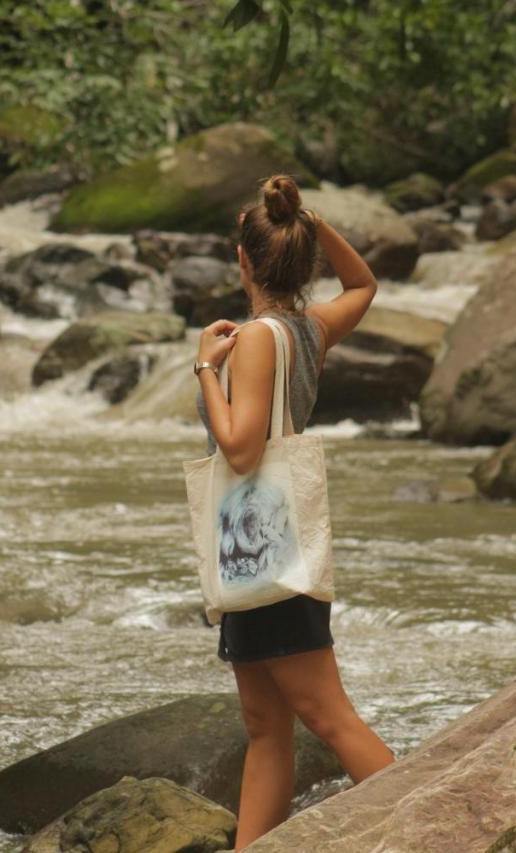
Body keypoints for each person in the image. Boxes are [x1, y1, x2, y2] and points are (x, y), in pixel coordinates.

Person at [192, 174, 396, 849]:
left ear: (243, 260)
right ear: (303, 260)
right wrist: (312, 221)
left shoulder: (255, 340)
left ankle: (438, 826)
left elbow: (243, 449)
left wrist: (204, 371)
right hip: (263, 545)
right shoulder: (310, 327)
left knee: (327, 714)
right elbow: (363, 285)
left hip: (264, 539)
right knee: (264, 722)